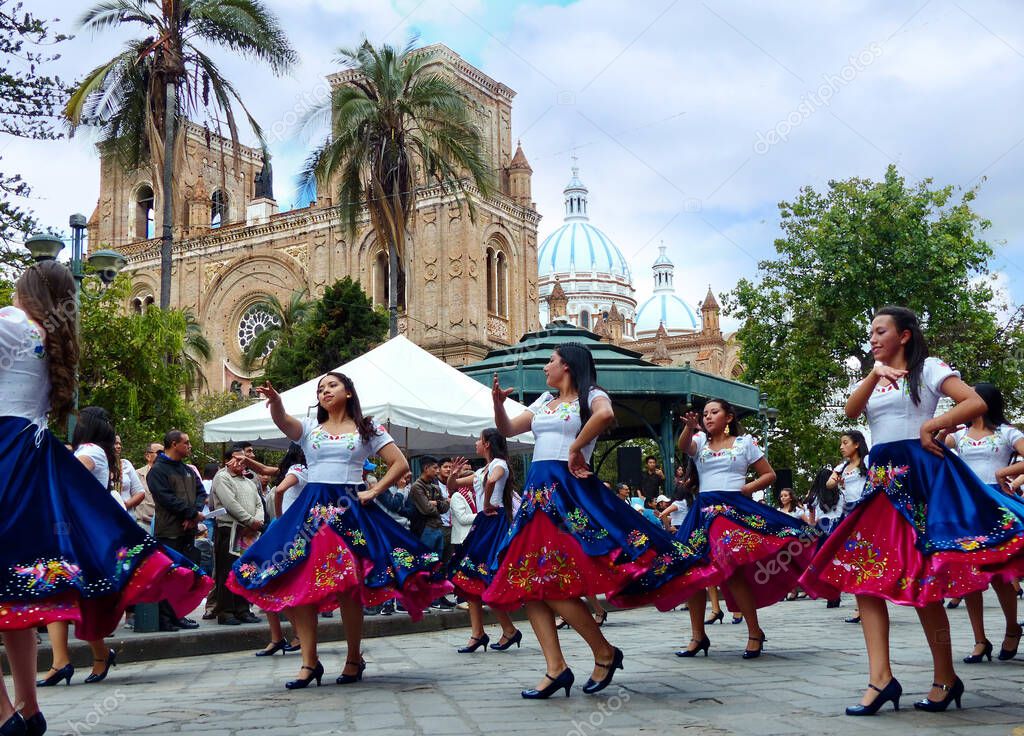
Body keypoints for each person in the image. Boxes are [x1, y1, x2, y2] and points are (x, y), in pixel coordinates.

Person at [0, 262, 210, 736]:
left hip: (6, 451)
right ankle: (28, 709)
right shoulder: (54, 340)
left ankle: (6, 714)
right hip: (34, 461)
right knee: (13, 593)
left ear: (26, 290)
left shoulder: (11, 323)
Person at [799, 306, 1024, 715]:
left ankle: (945, 676)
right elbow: (850, 412)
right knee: (863, 575)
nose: (873, 338)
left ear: (903, 335)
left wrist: (932, 425)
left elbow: (973, 401)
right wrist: (874, 374)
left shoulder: (928, 368)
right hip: (881, 482)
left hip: (919, 480)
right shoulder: (874, 378)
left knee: (922, 580)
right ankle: (880, 678)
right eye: (870, 332)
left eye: (880, 331)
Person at [484, 343, 696, 698]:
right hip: (538, 494)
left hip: (567, 492)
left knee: (550, 580)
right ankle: (556, 668)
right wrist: (497, 404)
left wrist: (575, 447)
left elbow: (605, 415)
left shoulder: (592, 395)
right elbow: (506, 430)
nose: (545, 367)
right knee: (527, 580)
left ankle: (603, 652)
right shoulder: (543, 401)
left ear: (567, 365)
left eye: (550, 361)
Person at [227, 373, 450, 689]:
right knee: (298, 579)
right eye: (320, 388)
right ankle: (309, 662)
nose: (325, 391)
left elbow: (399, 463)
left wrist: (375, 490)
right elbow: (282, 421)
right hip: (312, 510)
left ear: (348, 392)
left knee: (348, 584)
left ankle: (353, 657)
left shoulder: (367, 428)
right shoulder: (309, 428)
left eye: (332, 385)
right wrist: (276, 402)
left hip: (350, 509)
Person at [671, 399, 816, 659]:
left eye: (714, 412)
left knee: (732, 567)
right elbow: (683, 446)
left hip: (732, 509)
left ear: (728, 417)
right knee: (691, 570)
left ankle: (754, 631)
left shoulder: (744, 443)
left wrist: (749, 488)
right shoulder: (700, 441)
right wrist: (689, 428)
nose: (708, 417)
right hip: (703, 511)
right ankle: (698, 636)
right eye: (705, 414)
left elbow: (769, 474)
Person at [39, 407, 122, 688]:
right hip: (70, 534)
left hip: (77, 537)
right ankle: (64, 660)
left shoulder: (90, 451)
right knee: (61, 593)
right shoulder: (93, 451)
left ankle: (87, 657)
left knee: (69, 594)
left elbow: (69, 476)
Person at [943, 383, 1024, 664]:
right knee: (969, 577)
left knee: (1001, 575)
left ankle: (1012, 628)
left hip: (997, 507)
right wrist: (942, 429)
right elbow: (931, 450)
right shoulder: (959, 435)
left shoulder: (1007, 432)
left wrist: (1006, 471)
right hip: (967, 509)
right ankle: (980, 640)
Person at [446, 429, 522, 653]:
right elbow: (453, 486)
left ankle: (505, 630)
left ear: (487, 444)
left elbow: (492, 481)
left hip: (494, 521)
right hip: (484, 522)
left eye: (479, 440)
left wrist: (487, 503)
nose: (476, 443)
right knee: (470, 575)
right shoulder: (481, 470)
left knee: (484, 575)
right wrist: (454, 474)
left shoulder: (500, 464)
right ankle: (480, 632)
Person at [148, 430, 208, 632]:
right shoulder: (158, 470)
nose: (189, 446)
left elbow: (201, 493)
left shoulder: (188, 470)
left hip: (187, 532)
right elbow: (165, 498)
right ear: (174, 444)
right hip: (168, 531)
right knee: (168, 576)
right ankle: (164, 619)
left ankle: (178, 615)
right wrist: (190, 514)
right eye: (186, 442)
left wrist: (193, 515)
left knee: (184, 576)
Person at [256, 445, 306, 656]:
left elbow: (279, 490)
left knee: (272, 582)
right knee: (270, 582)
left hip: (286, 533)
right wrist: (246, 461)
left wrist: (279, 518)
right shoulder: (305, 470)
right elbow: (266, 470)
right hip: (295, 533)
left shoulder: (298, 469)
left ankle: (296, 635)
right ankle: (282, 636)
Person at [211, 450, 264, 626]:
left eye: (243, 459)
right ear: (227, 461)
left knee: (245, 569)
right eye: (237, 459)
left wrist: (258, 521)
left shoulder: (249, 481)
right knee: (227, 571)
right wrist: (250, 521)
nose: (241, 462)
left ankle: (243, 609)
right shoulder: (222, 477)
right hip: (229, 529)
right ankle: (226, 611)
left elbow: (259, 503)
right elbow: (230, 504)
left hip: (249, 532)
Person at [409, 457, 454, 611]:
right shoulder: (417, 487)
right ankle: (423, 598)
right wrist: (438, 504)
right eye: (435, 468)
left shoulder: (434, 487)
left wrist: (437, 503)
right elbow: (427, 509)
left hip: (437, 528)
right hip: (425, 530)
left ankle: (437, 596)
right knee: (425, 565)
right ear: (426, 468)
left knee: (438, 564)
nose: (437, 471)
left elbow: (445, 507)